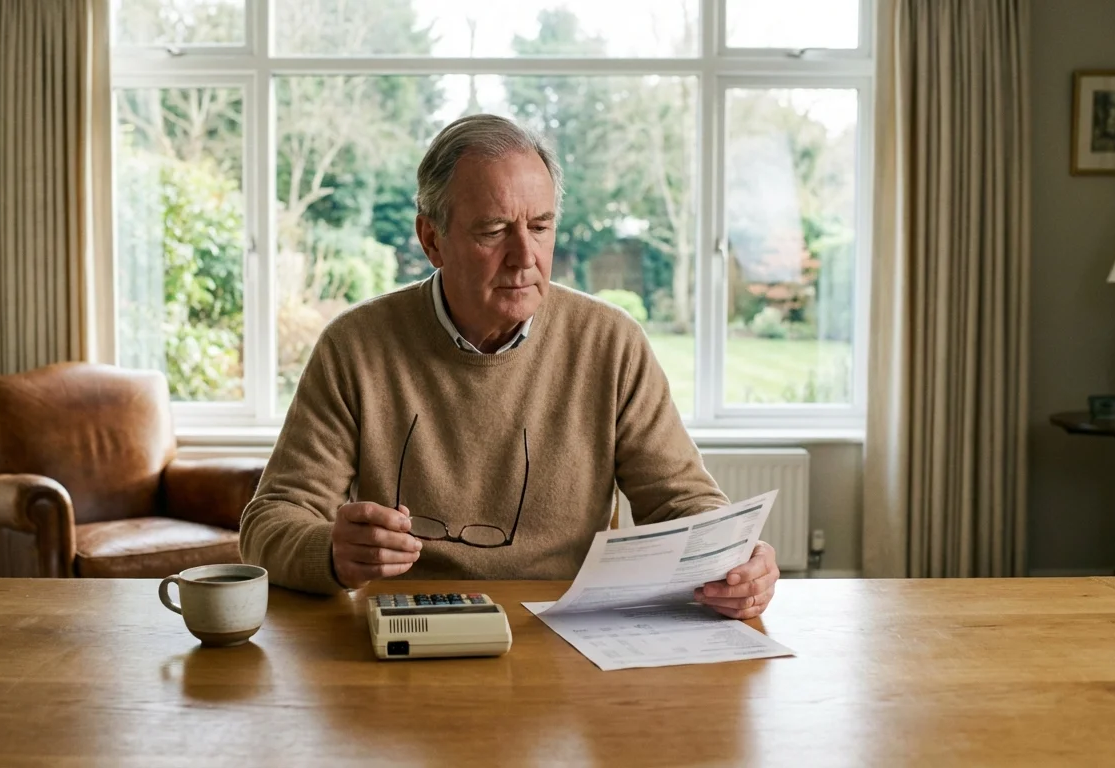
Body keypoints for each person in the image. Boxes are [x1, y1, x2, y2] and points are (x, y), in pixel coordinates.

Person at [240, 114, 778, 620]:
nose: (525, 256)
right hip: (411, 627)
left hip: (566, 633)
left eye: (541, 226)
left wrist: (734, 557)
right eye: (494, 231)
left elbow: (680, 499)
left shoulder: (610, 343)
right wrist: (330, 553)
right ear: (432, 239)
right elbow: (271, 520)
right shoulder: (355, 346)